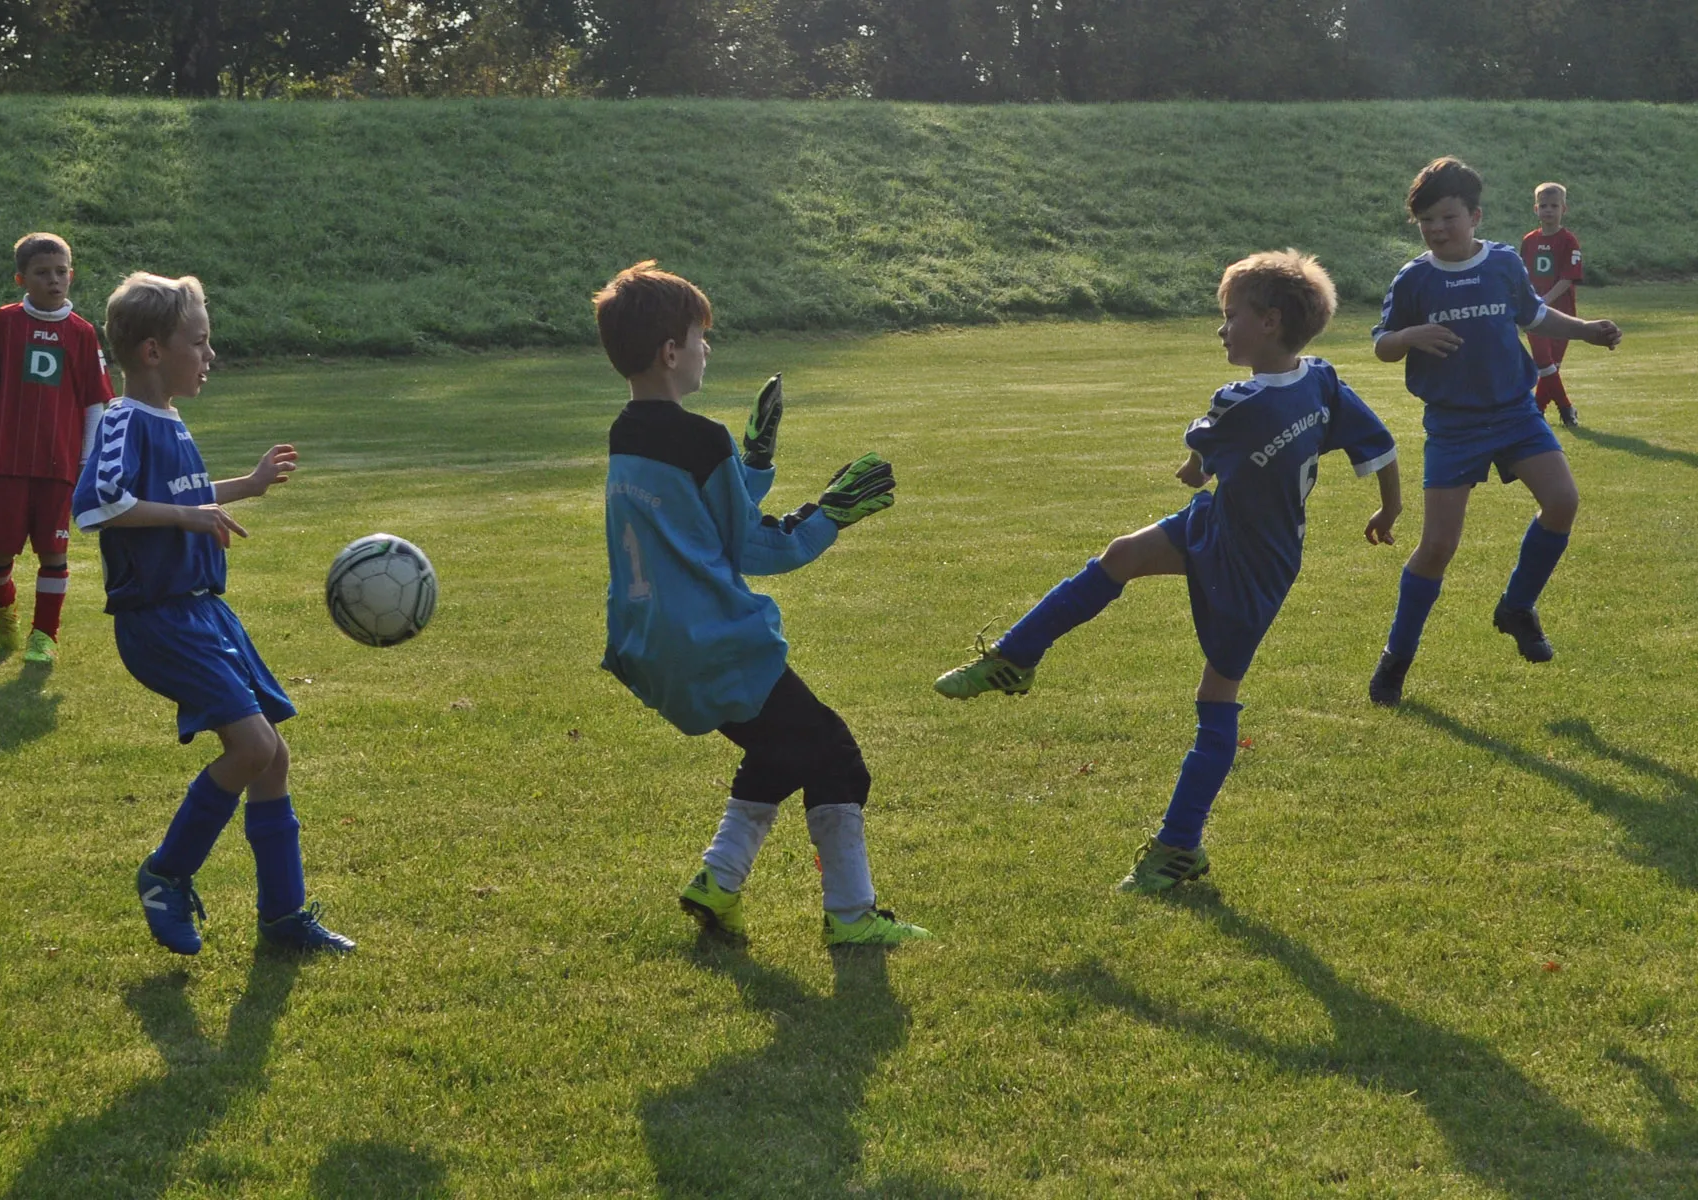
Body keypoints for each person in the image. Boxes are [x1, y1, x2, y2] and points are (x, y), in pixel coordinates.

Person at [934, 250, 1401, 893]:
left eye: (1230, 316)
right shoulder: (1318, 378)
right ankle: (1015, 657)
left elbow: (1204, 446)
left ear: (1268, 322)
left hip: (1255, 567)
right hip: (1224, 525)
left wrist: (1196, 465)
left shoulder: (1239, 402)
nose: (1221, 328)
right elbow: (1378, 442)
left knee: (1216, 696)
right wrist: (1390, 505)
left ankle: (1180, 845)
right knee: (1121, 554)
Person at [595, 260, 929, 947]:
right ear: (671, 352)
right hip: (716, 647)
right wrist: (832, 513)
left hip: (651, 648)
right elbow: (755, 546)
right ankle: (851, 917)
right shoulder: (699, 441)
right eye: (700, 337)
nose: (707, 349)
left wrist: (753, 460)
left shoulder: (625, 436)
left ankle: (717, 884)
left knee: (779, 752)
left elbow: (697, 518)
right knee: (836, 757)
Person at [71, 271, 353, 955]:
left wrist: (245, 486)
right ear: (152, 351)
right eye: (198, 342)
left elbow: (183, 493)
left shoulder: (168, 417)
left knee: (272, 756)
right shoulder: (122, 419)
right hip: (160, 619)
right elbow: (95, 505)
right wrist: (187, 516)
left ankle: (284, 917)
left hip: (205, 614)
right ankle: (165, 874)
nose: (210, 354)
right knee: (251, 747)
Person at [1367, 158, 1621, 708]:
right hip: (1453, 426)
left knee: (1562, 502)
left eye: (1448, 217)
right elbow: (1383, 344)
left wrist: (1586, 330)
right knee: (1438, 546)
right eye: (1426, 221)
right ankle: (1395, 659)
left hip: (1515, 414)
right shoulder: (1414, 279)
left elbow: (1533, 316)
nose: (1437, 229)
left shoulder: (1503, 263)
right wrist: (1409, 336)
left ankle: (1516, 606)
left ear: (1475, 216)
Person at [0, 232, 114, 663]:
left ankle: (44, 636)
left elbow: (95, 401)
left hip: (60, 463)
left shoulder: (83, 333)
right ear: (21, 279)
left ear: (71, 275)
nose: (53, 280)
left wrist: (87, 458)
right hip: (10, 459)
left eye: (60, 271)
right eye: (42, 273)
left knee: (54, 552)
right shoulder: (6, 322)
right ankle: (4, 608)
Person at [1521, 182, 1584, 427]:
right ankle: (1560, 410)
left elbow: (1568, 278)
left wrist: (1545, 300)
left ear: (1563, 209)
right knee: (1544, 364)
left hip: (1562, 313)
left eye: (1554, 206)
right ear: (1536, 209)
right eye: (1544, 205)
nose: (1548, 210)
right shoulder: (1529, 240)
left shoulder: (1568, 241)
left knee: (1552, 367)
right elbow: (1522, 276)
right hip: (1535, 314)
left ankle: (1541, 411)